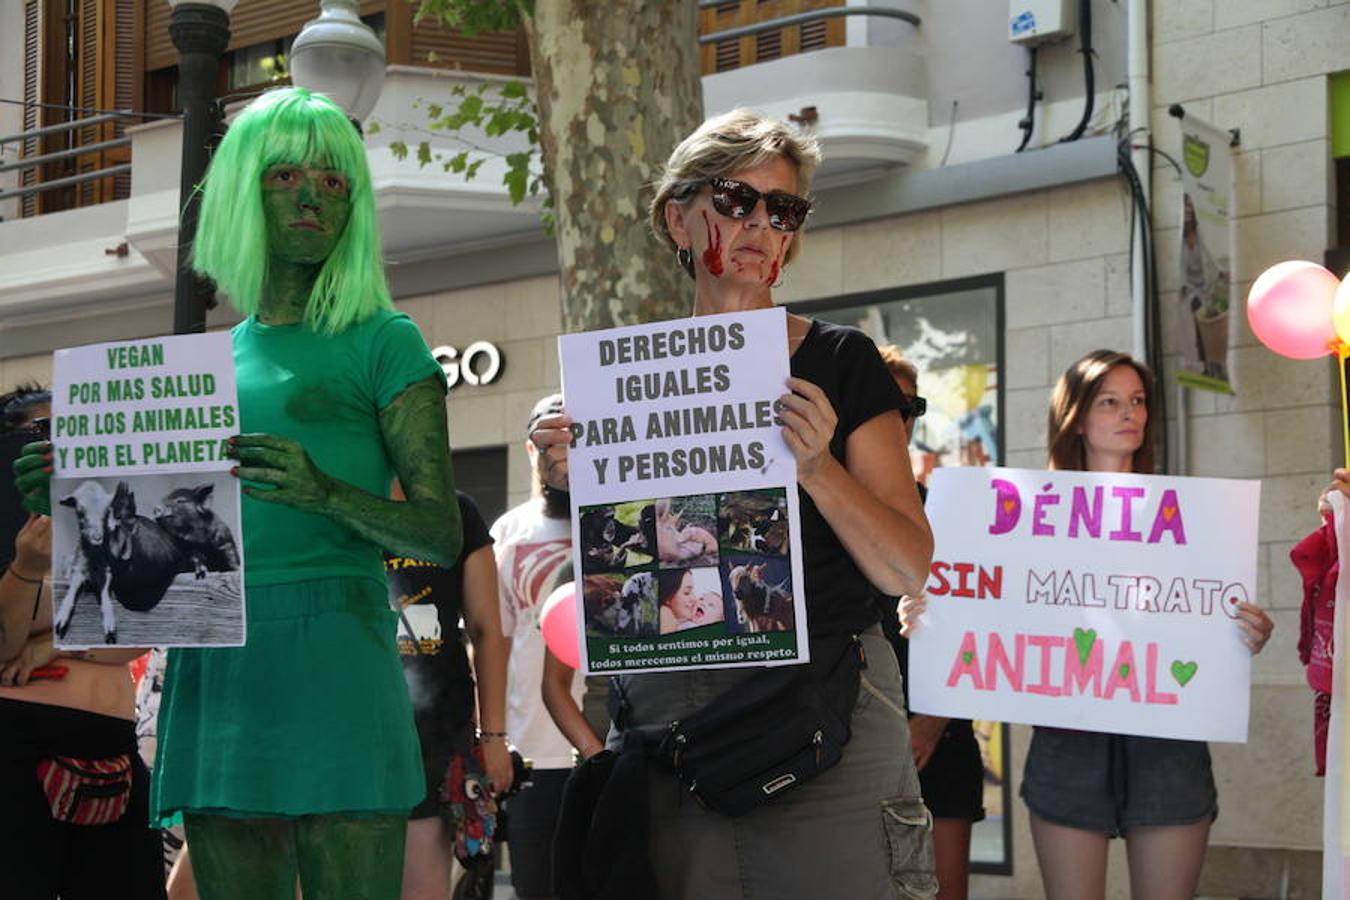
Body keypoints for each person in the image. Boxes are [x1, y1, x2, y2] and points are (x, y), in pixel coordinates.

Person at [17, 88, 463, 900]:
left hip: (337, 653)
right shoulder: (207, 363)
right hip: (219, 655)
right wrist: (67, 485)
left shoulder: (385, 339)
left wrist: (326, 491)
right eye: (285, 172)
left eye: (334, 182)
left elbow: (438, 530)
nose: (310, 195)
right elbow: (142, 532)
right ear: (241, 192)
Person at [531, 109, 937, 899]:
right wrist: (571, 480)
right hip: (676, 721)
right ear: (677, 216)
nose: (760, 223)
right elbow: (618, 584)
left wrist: (819, 469)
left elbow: (906, 566)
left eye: (782, 209)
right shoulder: (626, 382)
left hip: (825, 719)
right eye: (735, 200)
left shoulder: (839, 359)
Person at [1015, 349, 1273, 899]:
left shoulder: (1193, 515)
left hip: (1169, 740)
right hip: (1068, 735)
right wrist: (937, 613)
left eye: (1136, 401)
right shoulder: (1028, 518)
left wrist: (1245, 632)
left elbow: (1210, 612)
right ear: (1077, 418)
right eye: (1109, 401)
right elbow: (996, 606)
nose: (1129, 413)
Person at [1, 384, 166, 900]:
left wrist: (54, 644)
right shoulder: (18, 533)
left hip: (113, 743)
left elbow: (150, 623)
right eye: (43, 434)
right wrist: (25, 570)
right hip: (19, 745)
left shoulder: (122, 521)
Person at [877, 346, 984, 900]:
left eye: (906, 406)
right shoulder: (817, 510)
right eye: (876, 402)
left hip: (940, 739)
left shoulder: (951, 511)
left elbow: (987, 628)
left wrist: (933, 721)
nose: (893, 418)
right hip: (853, 744)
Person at [386, 487, 511, 900]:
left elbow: (487, 630)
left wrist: (493, 738)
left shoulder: (454, 510)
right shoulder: (326, 498)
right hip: (343, 732)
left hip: (433, 736)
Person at [491, 394, 585, 900]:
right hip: (529, 756)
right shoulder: (508, 532)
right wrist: (491, 738)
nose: (562, 455)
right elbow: (492, 642)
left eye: (572, 440)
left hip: (605, 747)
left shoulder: (617, 521)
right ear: (532, 451)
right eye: (550, 442)